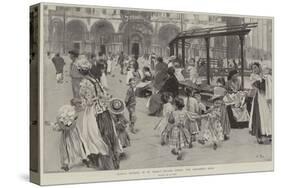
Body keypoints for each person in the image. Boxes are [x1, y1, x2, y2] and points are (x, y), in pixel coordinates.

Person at [76, 58, 121, 170]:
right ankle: (113, 158)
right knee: (108, 133)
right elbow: (103, 94)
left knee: (91, 134)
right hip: (103, 109)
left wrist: (80, 103)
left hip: (93, 111)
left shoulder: (84, 83)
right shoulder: (94, 79)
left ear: (80, 71)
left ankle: (100, 160)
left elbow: (88, 102)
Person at [46, 104, 90, 171]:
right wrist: (52, 124)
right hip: (67, 135)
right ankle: (66, 164)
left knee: (78, 146)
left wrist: (69, 122)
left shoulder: (73, 116)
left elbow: (68, 123)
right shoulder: (67, 118)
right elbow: (60, 125)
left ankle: (85, 159)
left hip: (74, 134)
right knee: (66, 148)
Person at [249, 62, 272, 144]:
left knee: (267, 115)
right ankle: (259, 136)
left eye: (255, 67)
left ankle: (269, 133)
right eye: (252, 68)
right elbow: (256, 86)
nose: (254, 70)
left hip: (265, 98)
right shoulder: (253, 76)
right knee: (259, 115)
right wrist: (261, 81)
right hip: (258, 98)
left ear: (259, 67)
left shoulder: (265, 75)